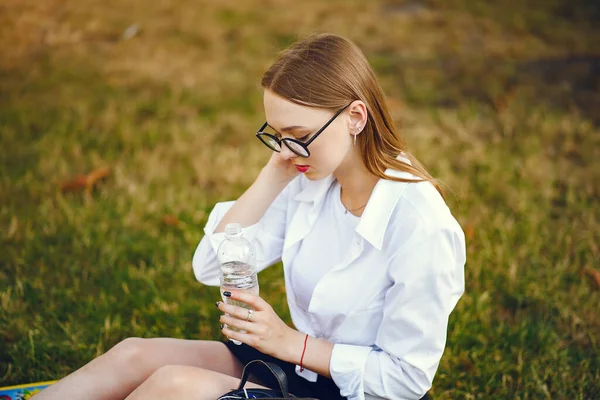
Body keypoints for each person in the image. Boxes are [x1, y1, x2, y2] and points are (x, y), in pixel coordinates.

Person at [34, 33, 465, 400]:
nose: (286, 150)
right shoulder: (308, 173)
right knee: (134, 354)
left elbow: (407, 378)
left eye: (298, 136)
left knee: (174, 385)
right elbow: (208, 265)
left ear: (355, 117)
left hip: (358, 391)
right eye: (276, 137)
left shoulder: (420, 225)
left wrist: (288, 342)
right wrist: (273, 174)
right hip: (297, 371)